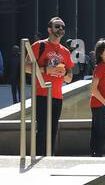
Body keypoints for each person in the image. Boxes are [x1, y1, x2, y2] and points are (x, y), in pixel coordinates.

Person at [27, 17, 73, 157]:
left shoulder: (65, 51)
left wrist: (64, 73)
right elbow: (27, 67)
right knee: (42, 129)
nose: (60, 29)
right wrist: (46, 70)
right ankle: (39, 158)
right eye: (57, 26)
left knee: (53, 130)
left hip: (57, 96)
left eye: (62, 27)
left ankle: (50, 158)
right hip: (41, 94)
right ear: (49, 29)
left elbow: (70, 77)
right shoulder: (39, 45)